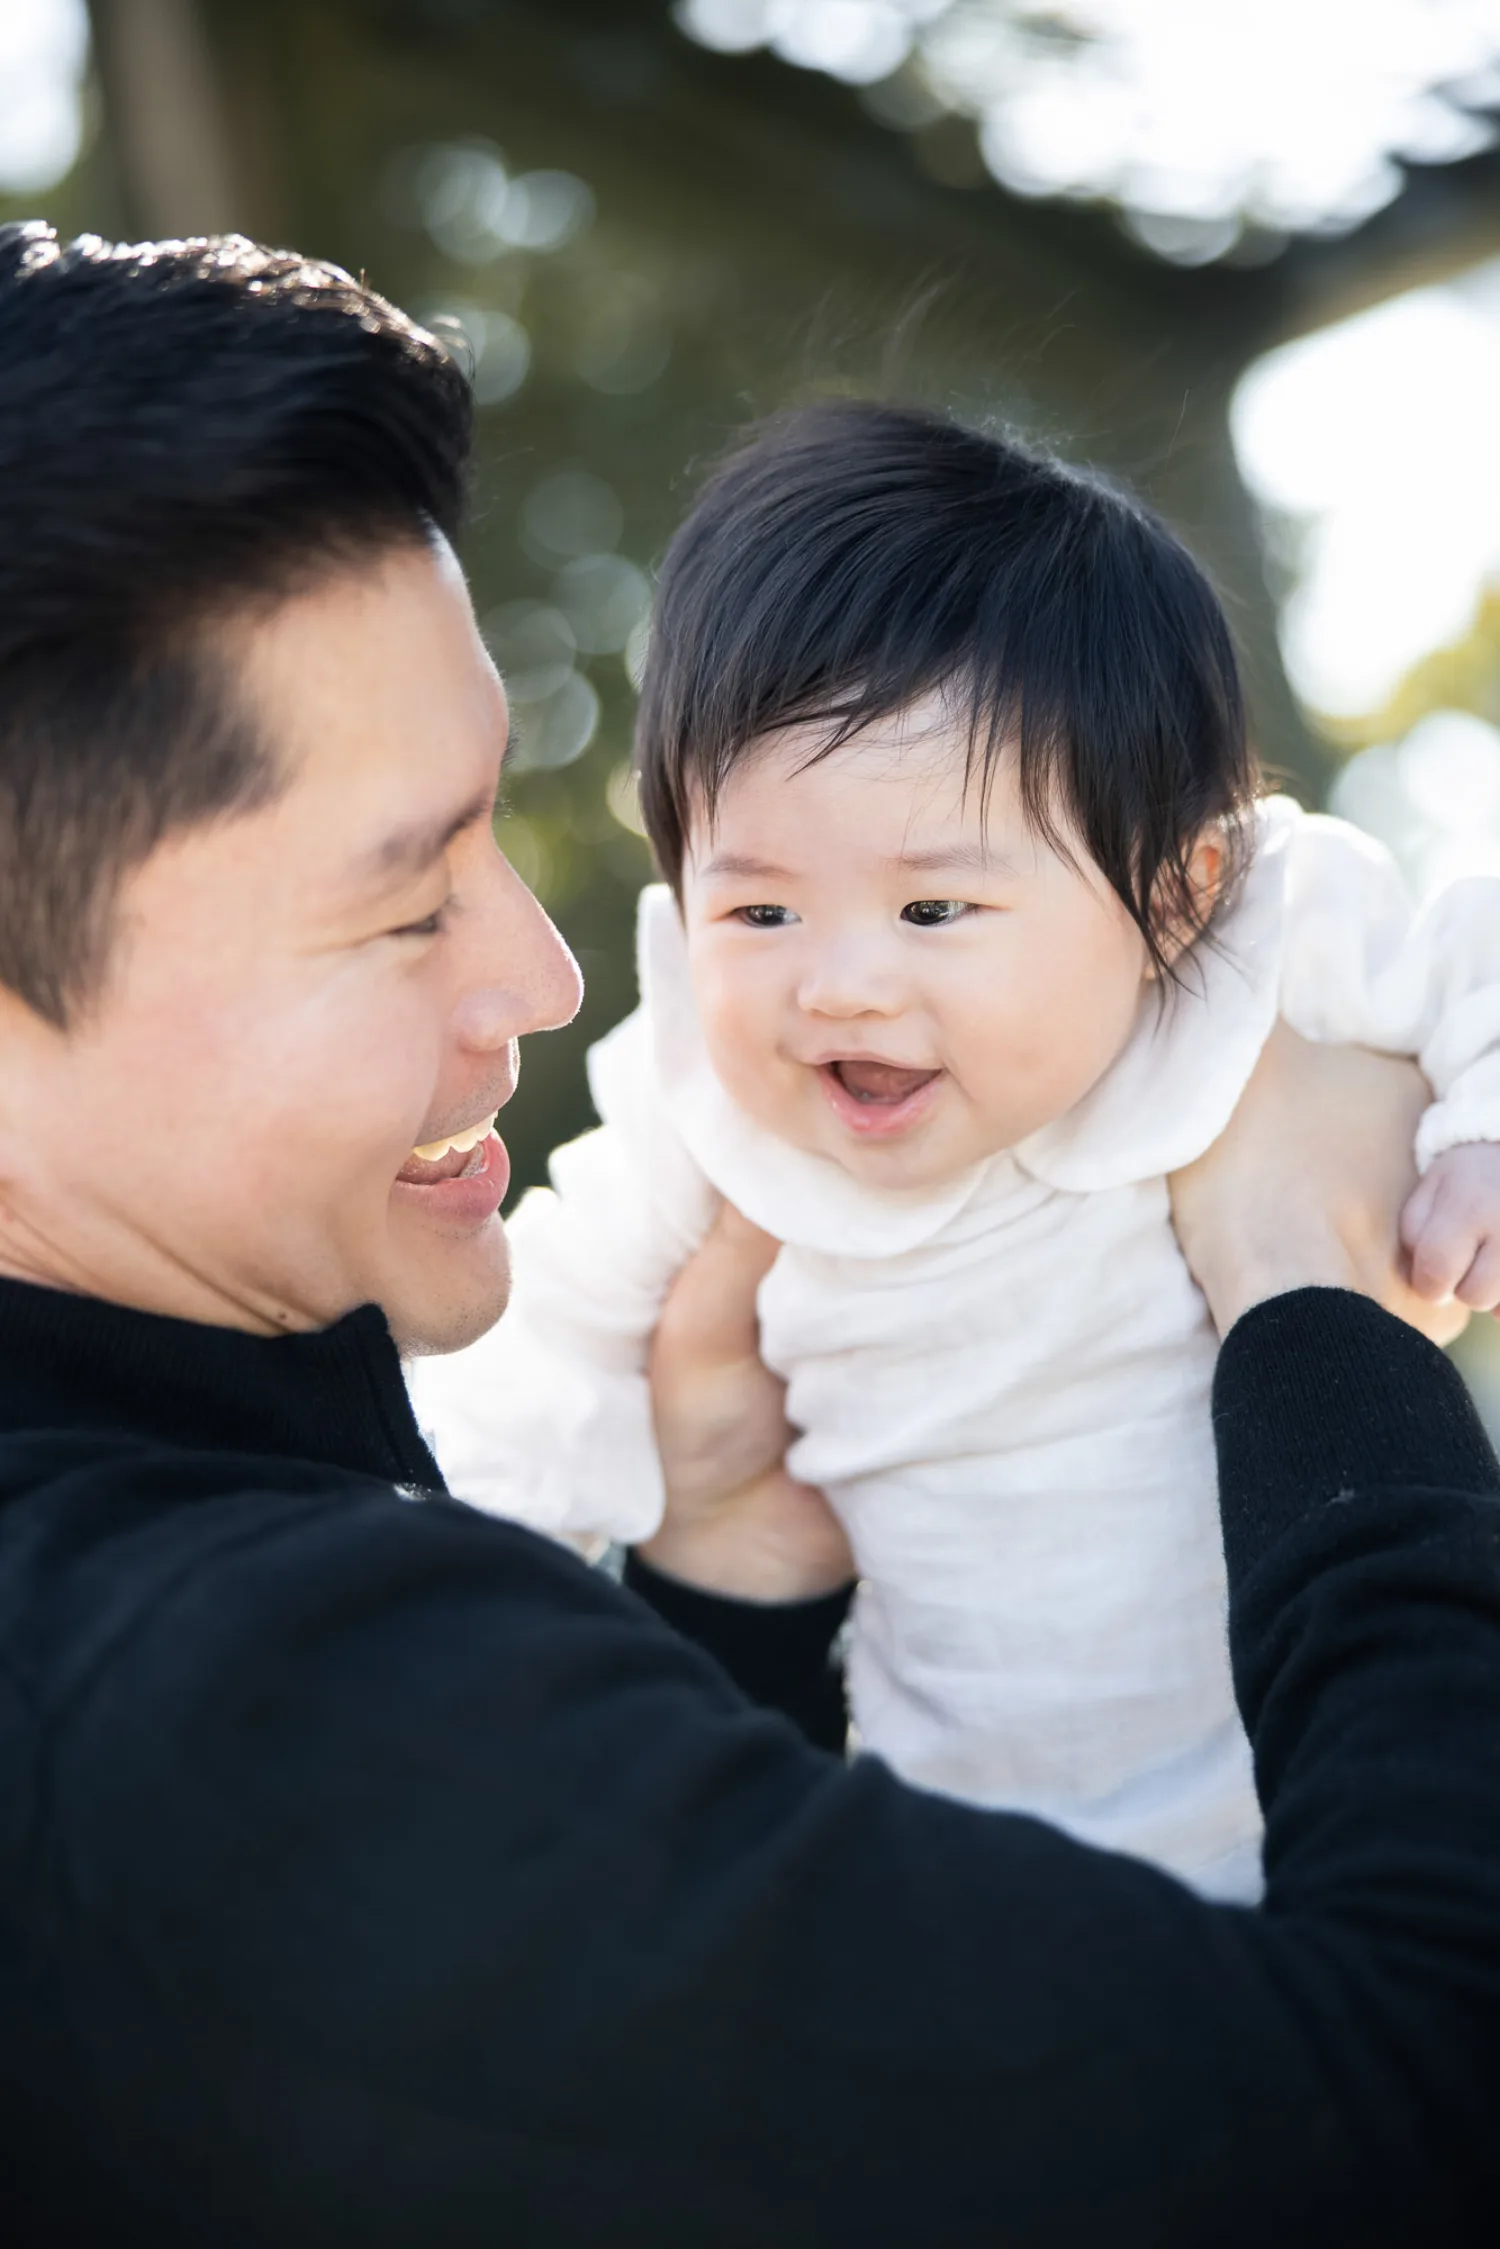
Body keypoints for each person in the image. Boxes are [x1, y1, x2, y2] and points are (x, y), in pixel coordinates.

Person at [0, 223, 1497, 2247]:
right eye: (401, 900)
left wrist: (732, 1587)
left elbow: (684, 2075)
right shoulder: (219, 1708)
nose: (546, 974)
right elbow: (1420, 2115)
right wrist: (1321, 1310)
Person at [412, 401, 1500, 1901]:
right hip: (971, 1865)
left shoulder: (1261, 948)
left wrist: (1482, 1135)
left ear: (1174, 891)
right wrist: (422, 1579)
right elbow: (527, 1372)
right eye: (761, 910)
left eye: (934, 911)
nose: (840, 982)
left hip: (1347, 1776)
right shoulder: (703, 1116)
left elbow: (1471, 961)